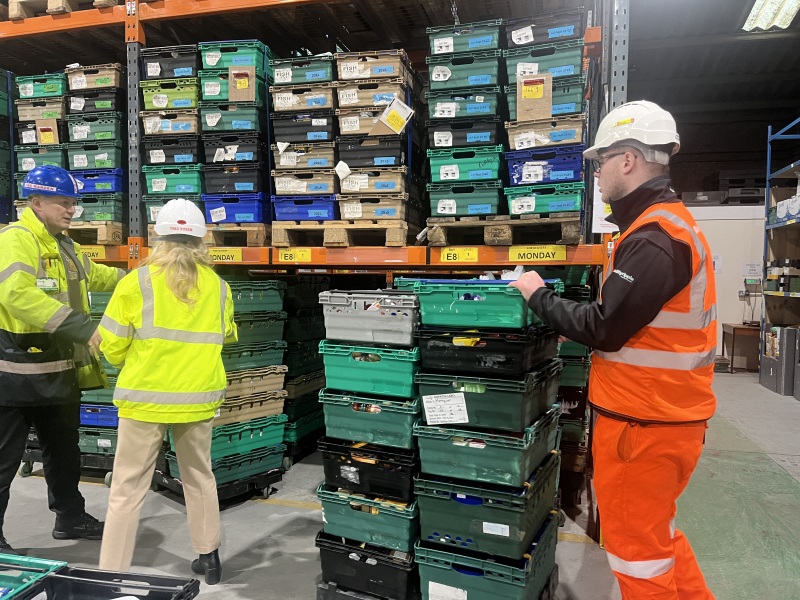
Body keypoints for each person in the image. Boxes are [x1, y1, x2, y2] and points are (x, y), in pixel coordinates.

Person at [511, 101, 716, 600]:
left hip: (642, 424)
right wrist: (576, 326)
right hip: (662, 416)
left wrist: (539, 296)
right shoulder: (662, 225)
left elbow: (606, 328)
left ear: (628, 160)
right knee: (658, 538)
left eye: (601, 161)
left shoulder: (655, 237)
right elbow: (630, 322)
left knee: (637, 558)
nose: (596, 173)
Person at [97, 199, 237, 584]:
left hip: (144, 398)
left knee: (127, 486)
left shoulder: (135, 282)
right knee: (199, 477)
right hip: (198, 398)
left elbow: (111, 345)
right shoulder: (220, 288)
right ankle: (209, 561)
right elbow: (224, 337)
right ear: (202, 238)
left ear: (156, 235)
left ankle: (111, 572)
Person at [0, 166, 125, 554]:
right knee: (4, 460)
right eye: (63, 203)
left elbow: (96, 276)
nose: (72, 210)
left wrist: (140, 279)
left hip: (59, 371)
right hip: (16, 373)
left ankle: (69, 517)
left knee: (64, 452)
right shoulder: (17, 240)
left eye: (74, 203)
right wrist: (80, 327)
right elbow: (15, 295)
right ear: (36, 203)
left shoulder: (64, 245)